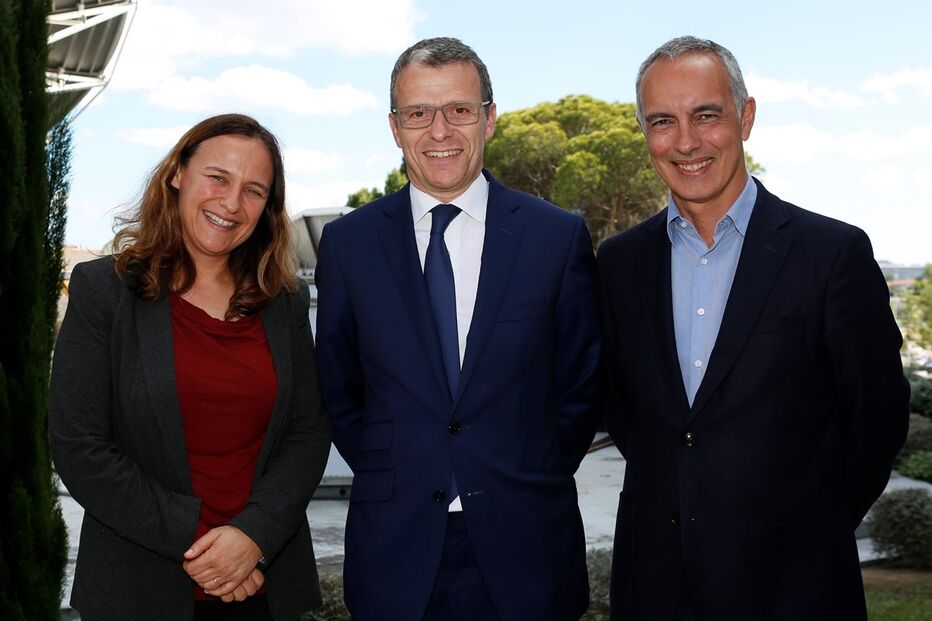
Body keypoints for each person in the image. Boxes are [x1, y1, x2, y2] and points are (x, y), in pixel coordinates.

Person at [597, 36, 910, 621]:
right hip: (655, 587)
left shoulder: (832, 254)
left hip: (796, 586)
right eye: (663, 121)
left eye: (706, 115)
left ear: (745, 117)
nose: (686, 141)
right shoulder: (617, 264)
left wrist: (808, 525)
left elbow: (877, 418)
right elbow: (623, 409)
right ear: (645, 133)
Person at [315, 37, 601, 621]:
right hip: (396, 548)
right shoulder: (349, 245)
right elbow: (340, 391)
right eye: (419, 113)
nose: (439, 130)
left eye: (459, 110)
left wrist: (525, 467)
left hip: (527, 546)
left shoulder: (556, 237)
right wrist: (396, 469)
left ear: (489, 119)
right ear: (395, 127)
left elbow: (580, 388)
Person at [49, 113, 332, 621]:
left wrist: (254, 536)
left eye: (253, 190)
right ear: (178, 173)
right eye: (218, 178)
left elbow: (307, 431)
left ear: (268, 207)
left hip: (264, 586)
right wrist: (211, 550)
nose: (230, 203)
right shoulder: (104, 292)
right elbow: (79, 446)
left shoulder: (284, 302)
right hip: (139, 590)